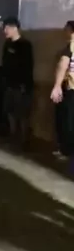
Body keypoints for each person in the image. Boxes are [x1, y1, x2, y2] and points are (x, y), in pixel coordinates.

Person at [2, 17, 34, 144]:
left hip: (21, 85)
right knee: (9, 110)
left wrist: (24, 85)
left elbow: (28, 66)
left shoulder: (25, 45)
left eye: (7, 28)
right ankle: (13, 135)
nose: (4, 30)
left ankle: (24, 139)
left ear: (15, 28)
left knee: (22, 113)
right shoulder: (7, 44)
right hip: (9, 84)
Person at [50, 21, 74, 164]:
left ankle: (67, 151)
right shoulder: (70, 46)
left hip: (71, 90)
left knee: (68, 122)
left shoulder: (71, 45)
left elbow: (63, 64)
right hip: (70, 88)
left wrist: (57, 85)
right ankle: (66, 150)